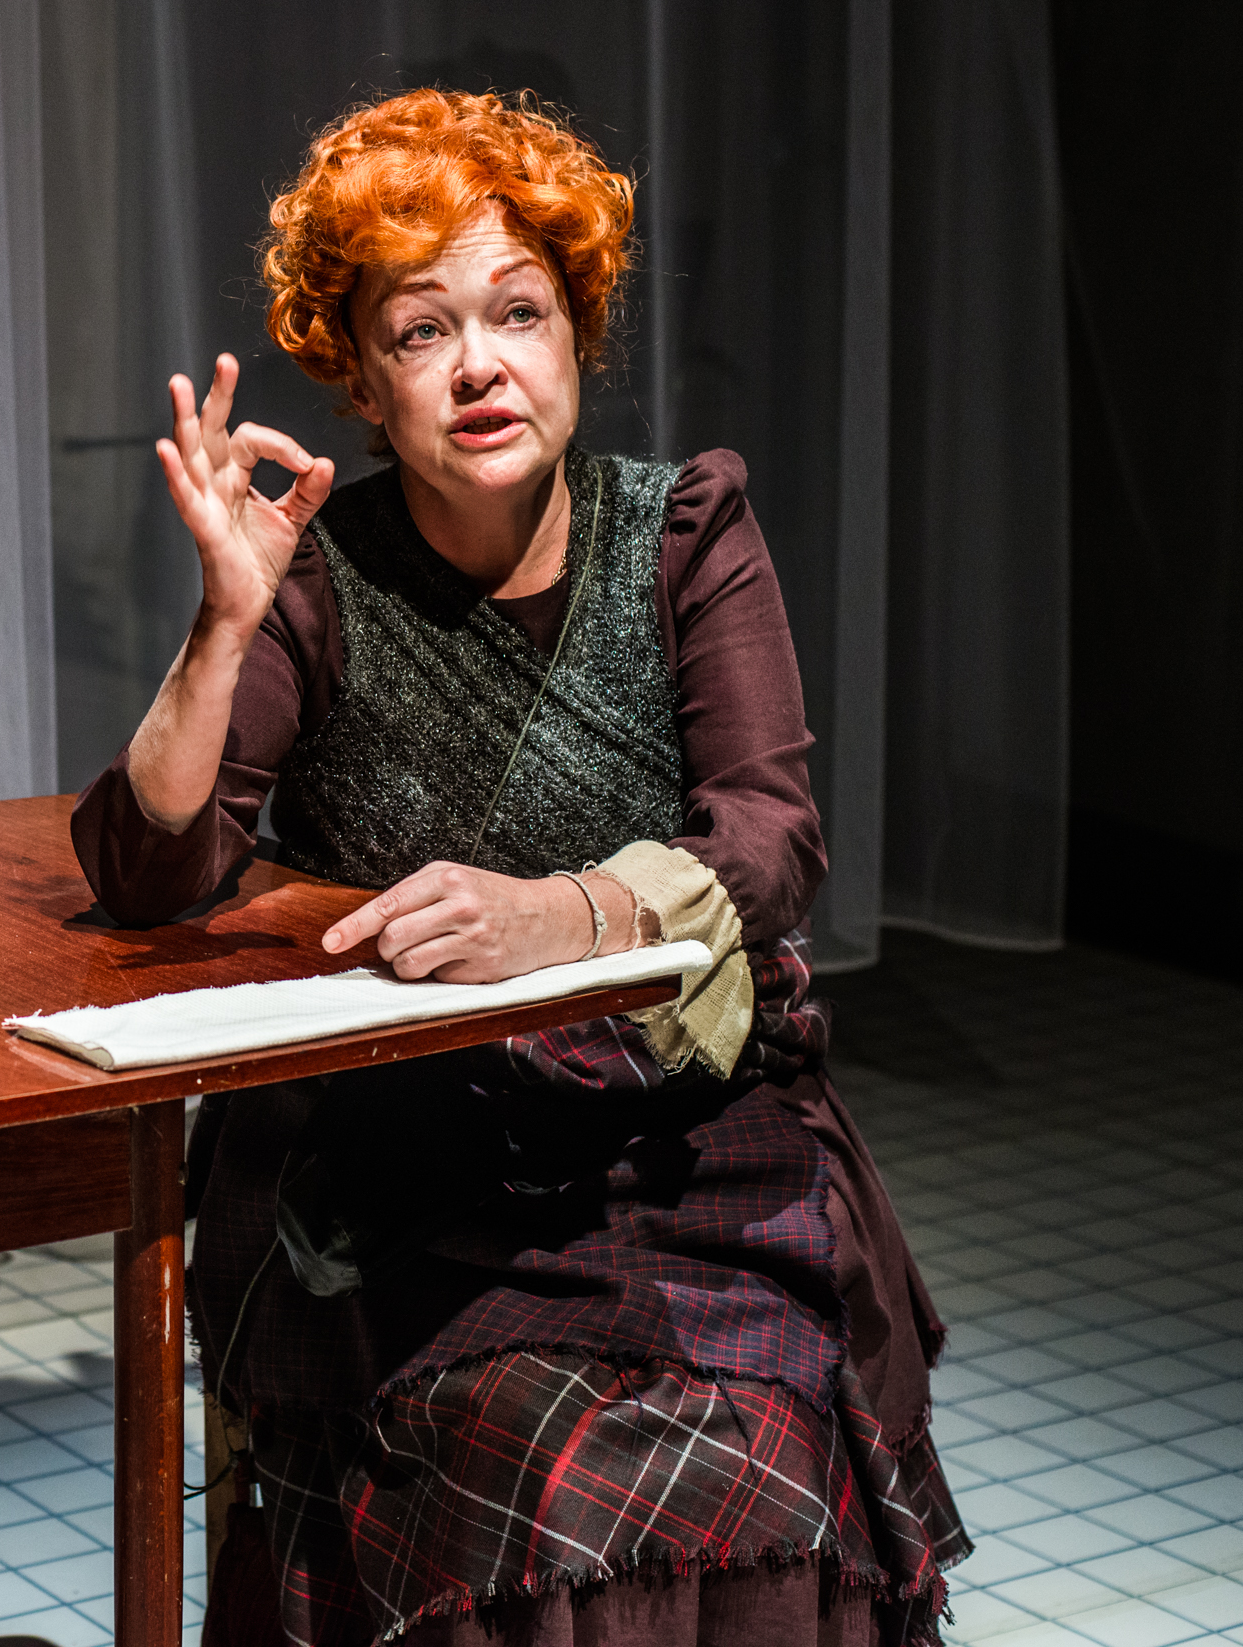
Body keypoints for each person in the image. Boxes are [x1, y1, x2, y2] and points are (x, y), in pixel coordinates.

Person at [73, 89, 969, 1646]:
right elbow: (150, 874)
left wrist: (558, 917)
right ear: (361, 376)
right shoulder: (317, 579)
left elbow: (769, 838)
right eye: (419, 330)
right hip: (402, 1172)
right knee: (533, 1462)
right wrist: (221, 626)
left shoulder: (682, 533)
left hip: (680, 1141)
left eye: (516, 312)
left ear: (575, 335)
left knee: (753, 1457)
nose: (478, 363)